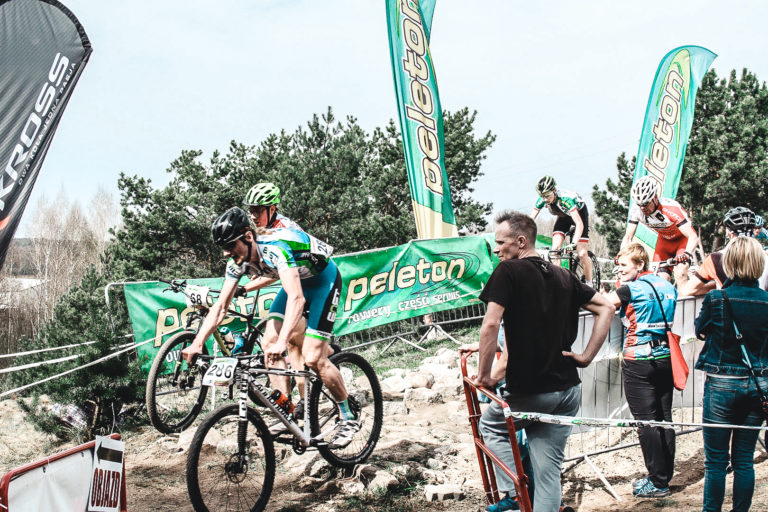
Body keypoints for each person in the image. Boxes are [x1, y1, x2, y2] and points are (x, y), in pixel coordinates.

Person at [472, 210, 614, 512]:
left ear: (521, 242)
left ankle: (513, 494)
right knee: (548, 474)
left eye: (501, 243)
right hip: (567, 391)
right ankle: (524, 496)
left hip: (532, 391)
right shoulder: (564, 276)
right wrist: (585, 358)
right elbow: (606, 308)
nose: (496, 250)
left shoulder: (508, 271)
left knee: (491, 426)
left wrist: (483, 376)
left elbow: (490, 324)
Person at [181, 207, 360, 447]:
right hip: (296, 281)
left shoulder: (275, 248)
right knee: (267, 345)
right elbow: (221, 307)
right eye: (222, 247)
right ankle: (286, 410)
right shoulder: (237, 261)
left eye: (230, 246)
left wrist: (282, 341)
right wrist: (197, 342)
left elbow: (297, 298)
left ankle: (348, 417)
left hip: (322, 281)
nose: (225, 253)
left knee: (313, 357)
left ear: (248, 236)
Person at [694, 236, 768, 512]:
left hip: (722, 385)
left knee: (716, 462)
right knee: (744, 460)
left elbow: (700, 330)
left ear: (730, 263)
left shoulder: (717, 298)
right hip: (758, 385)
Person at [604, 243, 677, 498]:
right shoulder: (667, 285)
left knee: (646, 421)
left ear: (640, 264)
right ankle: (665, 475)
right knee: (664, 418)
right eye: (618, 265)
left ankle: (658, 483)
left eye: (624, 265)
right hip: (665, 357)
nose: (620, 270)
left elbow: (603, 305)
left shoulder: (630, 289)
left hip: (639, 359)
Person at [621, 175, 699, 287]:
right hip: (664, 243)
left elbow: (693, 236)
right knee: (660, 280)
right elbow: (628, 237)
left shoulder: (671, 208)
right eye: (640, 204)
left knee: (680, 273)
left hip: (682, 241)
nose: (643, 208)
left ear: (655, 197)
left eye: (646, 203)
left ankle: (686, 294)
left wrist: (687, 254)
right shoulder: (636, 210)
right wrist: (621, 256)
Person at [680, 206, 768, 296]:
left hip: (729, 303)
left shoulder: (715, 259)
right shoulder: (765, 256)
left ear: (728, 231)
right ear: (753, 230)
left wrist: (716, 285)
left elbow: (689, 290)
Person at [531, 175, 594, 285]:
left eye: (547, 195)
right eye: (542, 196)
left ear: (554, 190)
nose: (545, 199)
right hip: (563, 217)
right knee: (555, 250)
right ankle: (559, 282)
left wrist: (574, 243)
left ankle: (589, 283)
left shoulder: (565, 200)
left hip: (579, 215)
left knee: (582, 253)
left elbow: (579, 223)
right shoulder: (543, 200)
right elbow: (530, 220)